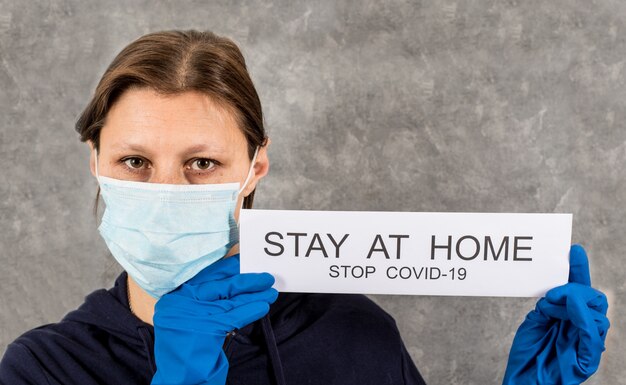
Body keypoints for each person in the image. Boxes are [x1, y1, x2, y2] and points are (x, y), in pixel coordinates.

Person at [0, 29, 609, 385]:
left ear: (255, 167)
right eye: (134, 162)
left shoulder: (353, 337)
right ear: (95, 162)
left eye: (202, 163)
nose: (167, 191)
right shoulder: (44, 367)